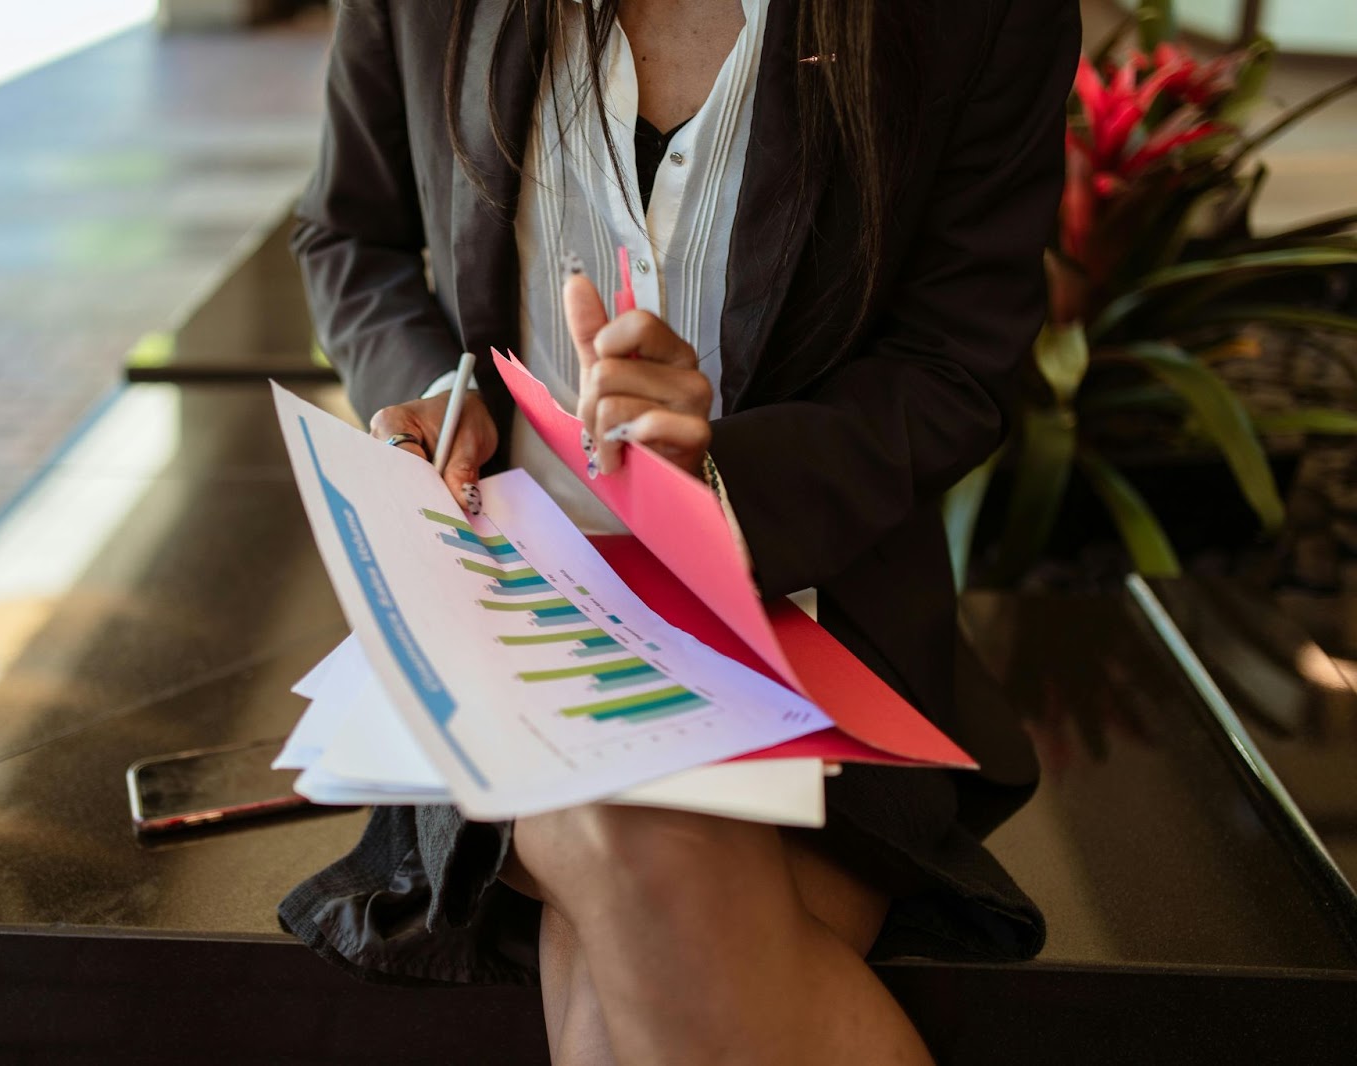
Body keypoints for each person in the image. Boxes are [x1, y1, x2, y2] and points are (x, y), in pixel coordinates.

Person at [280, 0, 1080, 1061]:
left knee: (623, 928)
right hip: (514, 605)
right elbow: (349, 233)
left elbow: (955, 366)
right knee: (634, 829)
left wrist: (714, 476)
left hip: (819, 617)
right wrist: (441, 385)